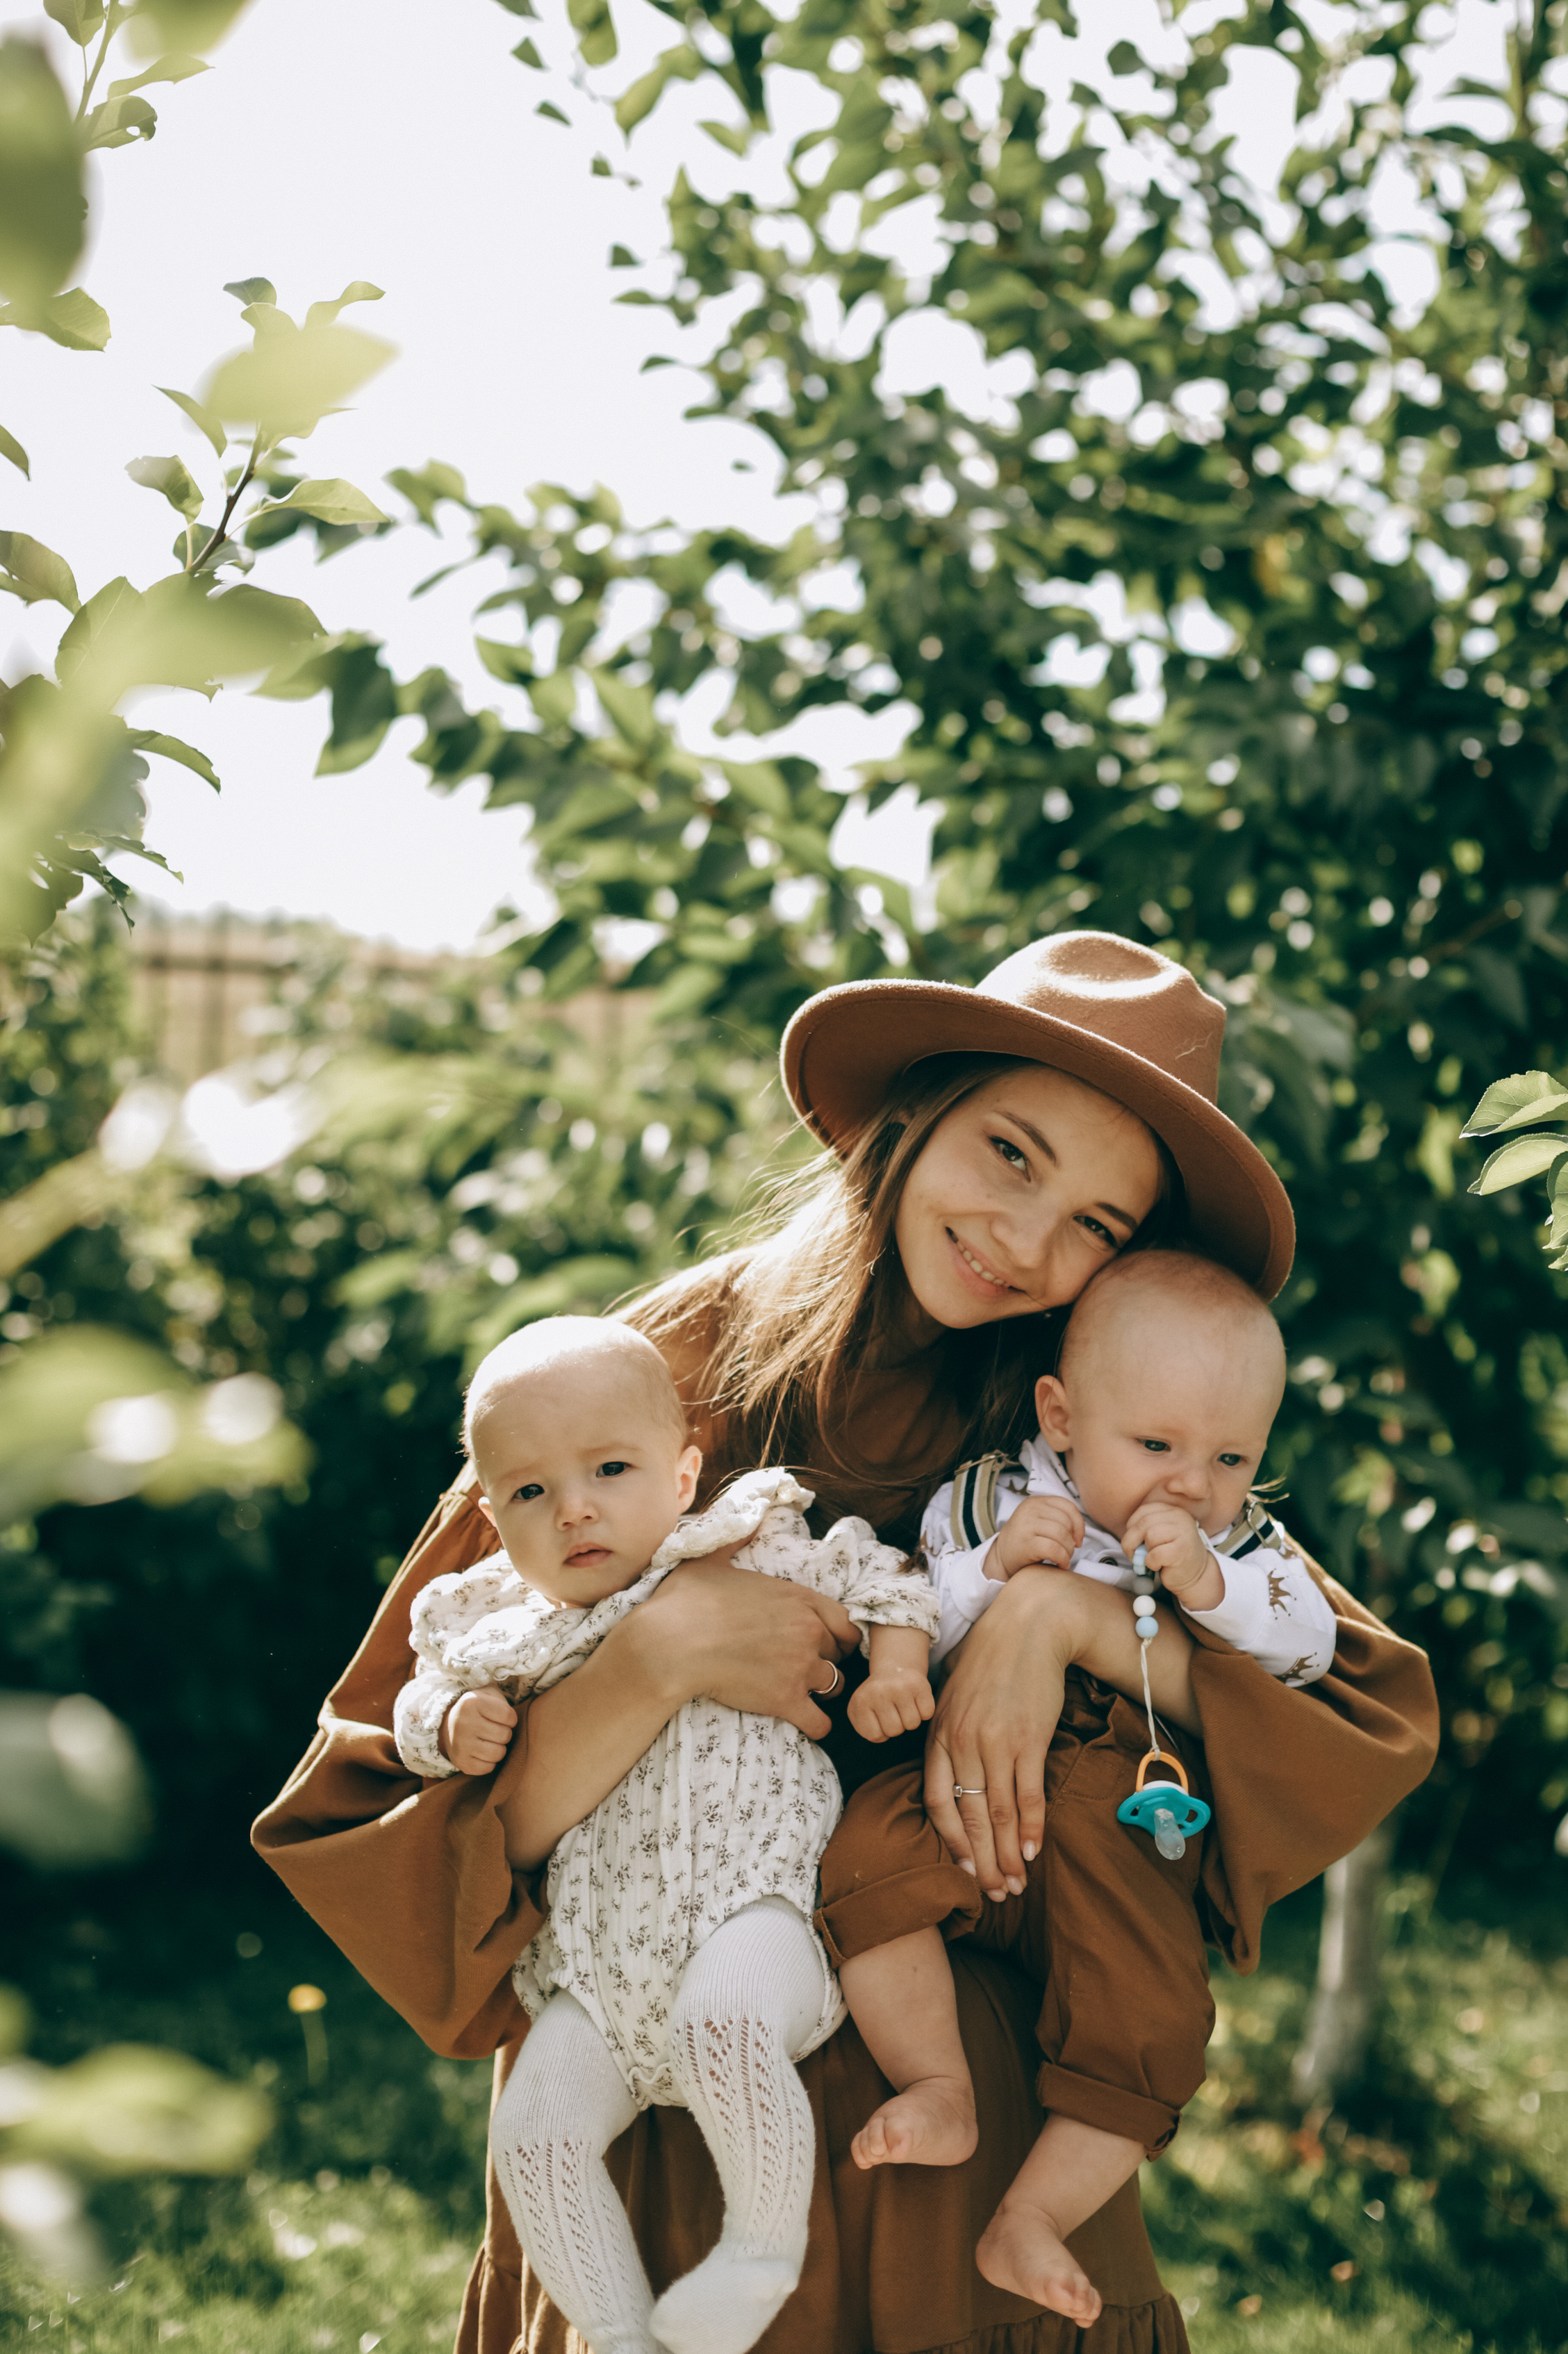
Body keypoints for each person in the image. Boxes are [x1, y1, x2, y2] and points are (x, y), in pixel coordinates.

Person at [255, 932, 1439, 2354]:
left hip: (965, 2148)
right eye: (1009, 1153)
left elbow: (1343, 1707)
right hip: (664, 2142)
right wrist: (659, 1654)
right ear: (913, 1110)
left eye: (1098, 1225)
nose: (1028, 1242)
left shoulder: (1086, 1420)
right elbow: (404, 1811)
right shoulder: (648, 1381)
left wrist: (1055, 1622)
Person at [391, 1313, 939, 2354]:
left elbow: (887, 1581)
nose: (575, 1509)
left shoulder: (746, 1543)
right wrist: (453, 1725)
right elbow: (413, 1713)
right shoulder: (502, 1621)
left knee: (723, 2031)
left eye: (608, 1468)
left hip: (754, 1906)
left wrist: (900, 1665)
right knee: (534, 2136)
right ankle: (617, 2332)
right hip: (596, 1966)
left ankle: (760, 2253)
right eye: (530, 1492)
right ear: (492, 1513)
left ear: (685, 1473)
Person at [822, 1247, 1339, 2326]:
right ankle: (940, 2084)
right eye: (1155, 1444)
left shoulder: (1239, 1545)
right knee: (863, 1863)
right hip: (964, 1793)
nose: (1191, 1483)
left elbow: (1309, 1648)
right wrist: (996, 1570)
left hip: (1121, 1821)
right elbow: (912, 1604)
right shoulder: (988, 1499)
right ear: (1060, 1416)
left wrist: (1216, 1585)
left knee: (1152, 2015)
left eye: (1231, 1457)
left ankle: (1035, 2217)